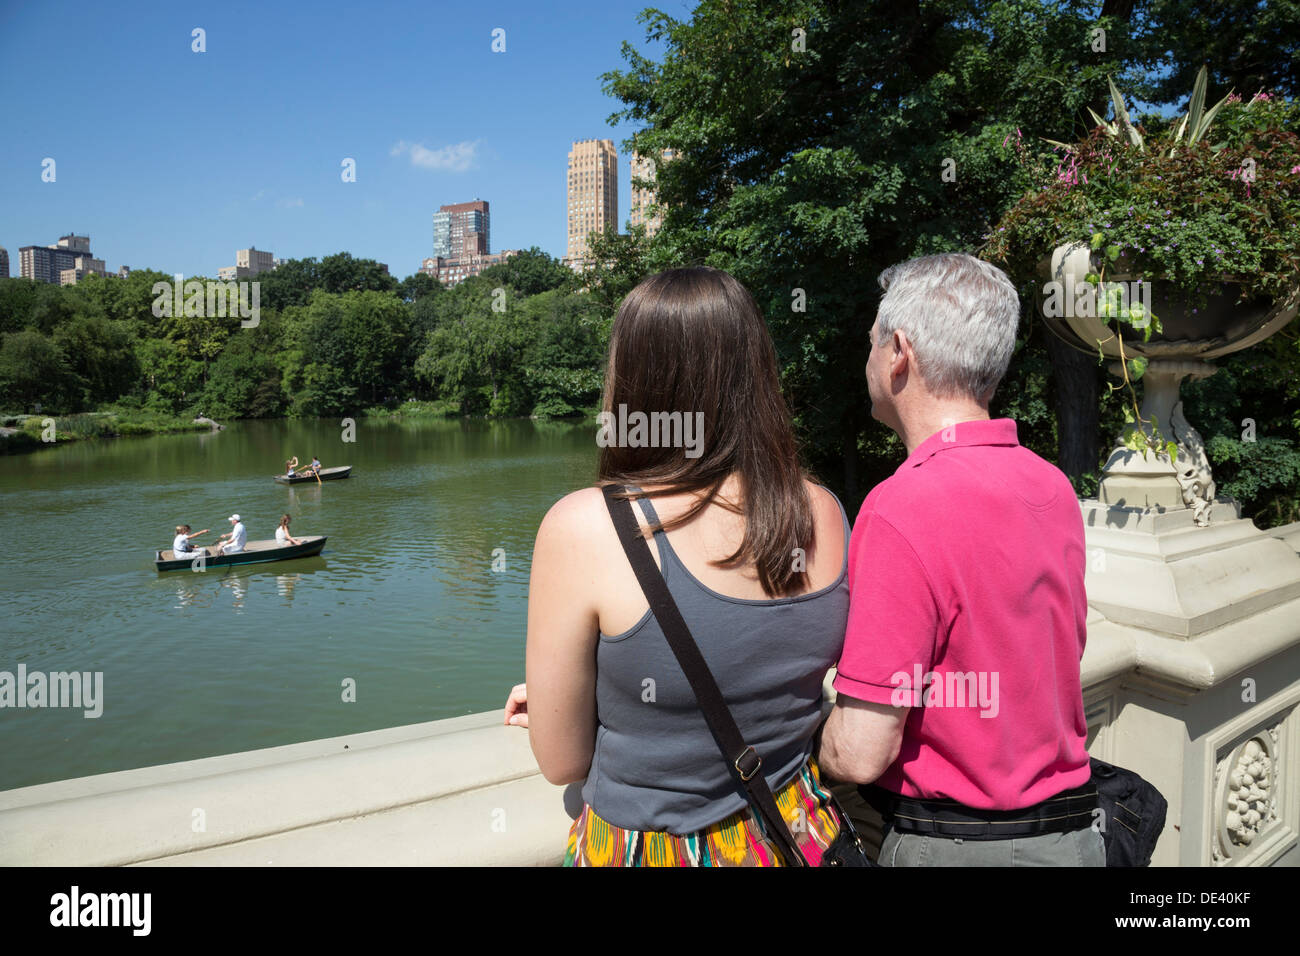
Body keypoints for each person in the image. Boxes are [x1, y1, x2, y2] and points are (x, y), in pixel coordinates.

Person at [503, 267, 852, 866]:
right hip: (799, 836)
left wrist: (574, 700)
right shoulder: (822, 511)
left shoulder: (585, 526)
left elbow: (562, 762)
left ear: (631, 381)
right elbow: (764, 672)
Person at [816, 252, 1102, 867]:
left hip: (954, 845)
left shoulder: (902, 506)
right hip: (1073, 836)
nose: (866, 359)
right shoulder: (1051, 485)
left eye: (870, 343)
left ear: (898, 353)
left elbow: (861, 753)